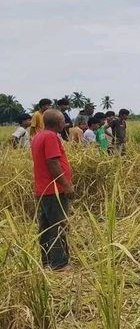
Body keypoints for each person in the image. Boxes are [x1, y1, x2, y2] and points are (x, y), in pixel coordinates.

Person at [31, 109, 74, 271]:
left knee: (46, 227)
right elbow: (53, 163)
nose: (65, 123)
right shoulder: (50, 137)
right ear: (58, 123)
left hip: (43, 189)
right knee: (58, 226)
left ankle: (47, 261)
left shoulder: (38, 136)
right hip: (54, 190)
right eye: (63, 120)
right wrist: (66, 185)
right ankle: (59, 263)